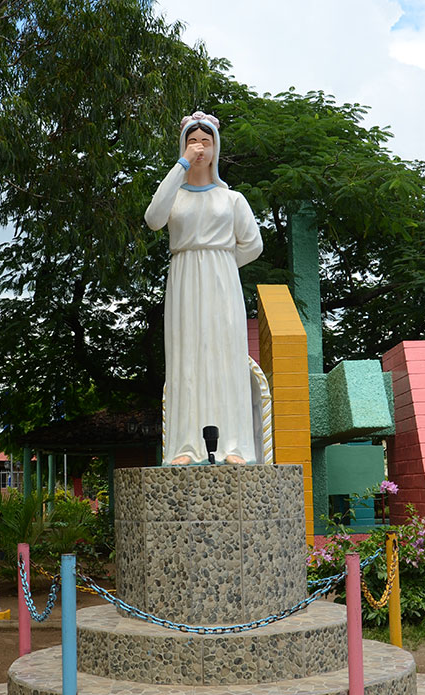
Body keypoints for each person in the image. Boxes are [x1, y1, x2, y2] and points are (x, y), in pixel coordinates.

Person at [145, 111, 263, 465]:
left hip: (222, 282)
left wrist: (222, 267)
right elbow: (152, 219)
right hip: (183, 278)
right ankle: (183, 446)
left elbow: (253, 245)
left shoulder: (232, 200)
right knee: (186, 360)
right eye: (193, 141)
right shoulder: (175, 196)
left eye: (206, 141)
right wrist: (180, 165)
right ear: (184, 146)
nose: (199, 147)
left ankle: (234, 446)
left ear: (215, 149)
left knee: (225, 357)